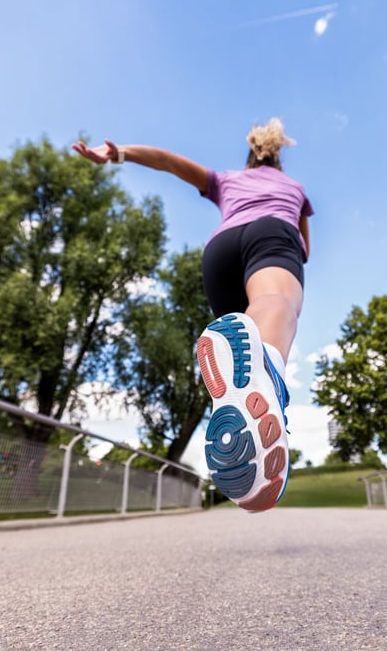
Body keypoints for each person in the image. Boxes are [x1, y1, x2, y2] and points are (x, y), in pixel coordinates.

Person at [72, 118, 314, 512]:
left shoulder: (225, 179)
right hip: (271, 233)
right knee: (276, 302)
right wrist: (293, 247)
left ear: (249, 159)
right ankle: (268, 371)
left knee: (247, 333)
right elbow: (305, 245)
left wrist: (117, 154)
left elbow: (169, 161)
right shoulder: (296, 190)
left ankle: (257, 399)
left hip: (219, 253)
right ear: (278, 162)